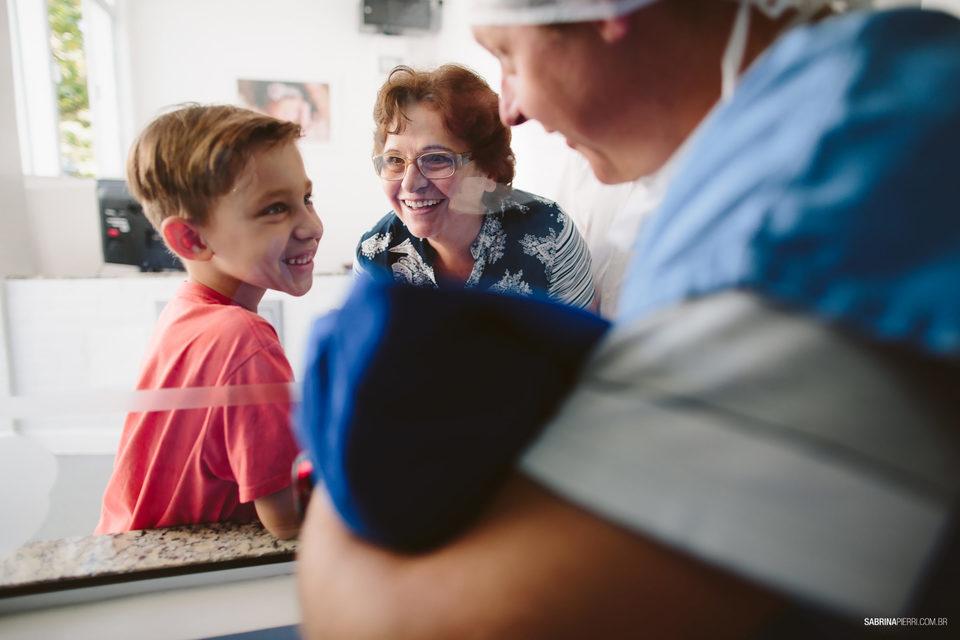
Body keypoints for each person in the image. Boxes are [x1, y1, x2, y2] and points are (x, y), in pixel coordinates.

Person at [296, 1, 960, 637]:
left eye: (510, 55)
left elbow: (426, 627)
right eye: (394, 158)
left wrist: (344, 452)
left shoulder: (830, 183)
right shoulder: (836, 118)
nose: (512, 108)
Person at [96, 104, 324, 540]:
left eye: (306, 198)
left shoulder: (187, 310)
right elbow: (288, 521)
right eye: (276, 208)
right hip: (175, 589)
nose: (311, 225)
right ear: (192, 238)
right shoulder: (243, 339)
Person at [354, 64, 596, 309]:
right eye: (395, 160)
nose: (410, 183)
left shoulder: (549, 234)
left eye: (437, 158)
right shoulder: (375, 255)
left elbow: (585, 345)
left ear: (488, 170)